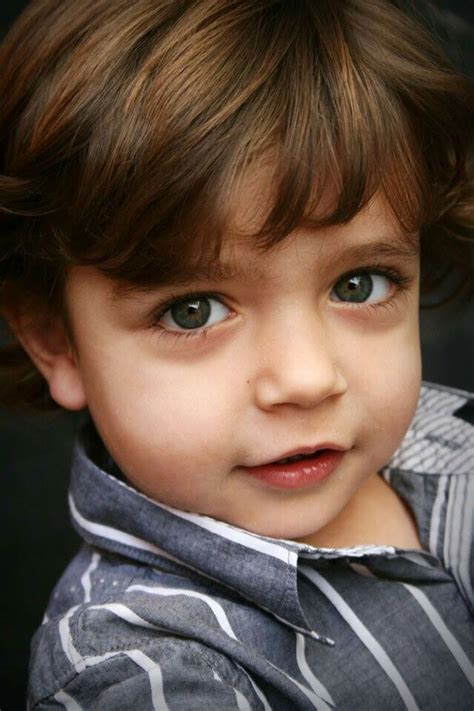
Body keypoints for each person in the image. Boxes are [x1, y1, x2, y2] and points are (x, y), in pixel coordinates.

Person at [0, 0, 473, 708]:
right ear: (54, 339)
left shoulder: (455, 444)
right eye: (193, 310)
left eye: (358, 283)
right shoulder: (141, 670)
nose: (309, 378)